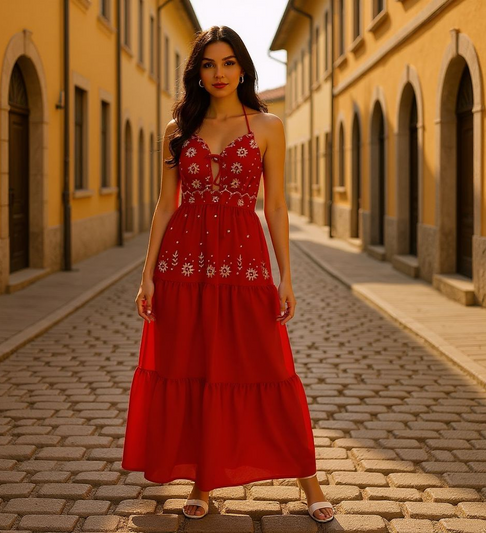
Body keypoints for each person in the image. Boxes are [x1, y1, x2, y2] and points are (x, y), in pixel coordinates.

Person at [121, 25, 334, 523]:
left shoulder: (267, 126)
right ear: (196, 72)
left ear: (243, 68)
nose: (219, 73)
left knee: (268, 366)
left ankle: (310, 481)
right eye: (209, 64)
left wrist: (286, 276)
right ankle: (202, 480)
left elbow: (276, 206)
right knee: (194, 369)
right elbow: (164, 205)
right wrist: (147, 274)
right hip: (182, 267)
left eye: (229, 62)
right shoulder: (179, 130)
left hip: (243, 266)